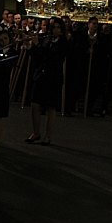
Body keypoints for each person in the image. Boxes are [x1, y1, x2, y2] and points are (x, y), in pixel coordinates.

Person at [24, 17, 68, 145]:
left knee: (50, 107)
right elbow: (38, 56)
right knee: (35, 104)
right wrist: (30, 47)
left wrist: (38, 46)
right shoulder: (47, 40)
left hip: (53, 78)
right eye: (54, 27)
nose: (55, 30)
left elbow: (54, 57)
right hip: (41, 76)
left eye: (58, 28)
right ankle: (36, 132)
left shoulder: (63, 42)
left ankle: (48, 135)